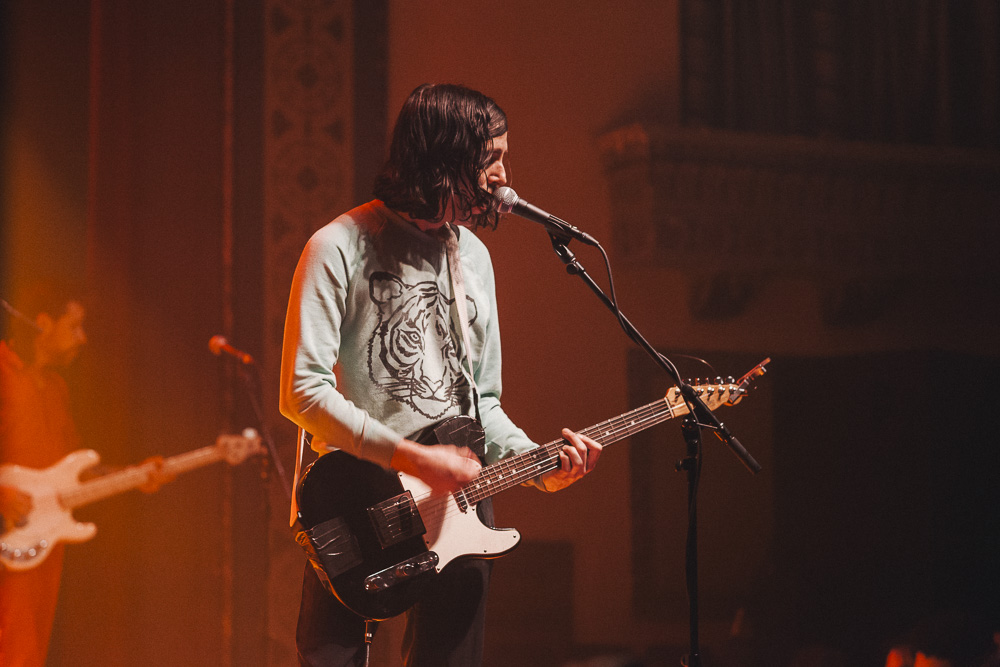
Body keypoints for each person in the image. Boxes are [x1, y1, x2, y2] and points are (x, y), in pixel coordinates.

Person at [279, 83, 603, 666]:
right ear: (442, 160)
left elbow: (485, 404)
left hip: (462, 507)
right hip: (358, 505)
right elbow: (302, 392)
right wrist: (412, 458)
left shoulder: (473, 258)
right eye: (491, 158)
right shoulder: (338, 246)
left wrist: (538, 465)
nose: (504, 176)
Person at [0, 284, 171, 666]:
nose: (83, 337)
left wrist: (132, 475)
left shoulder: (55, 390)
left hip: (38, 554)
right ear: (43, 324)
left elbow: (76, 474)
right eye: (74, 326)